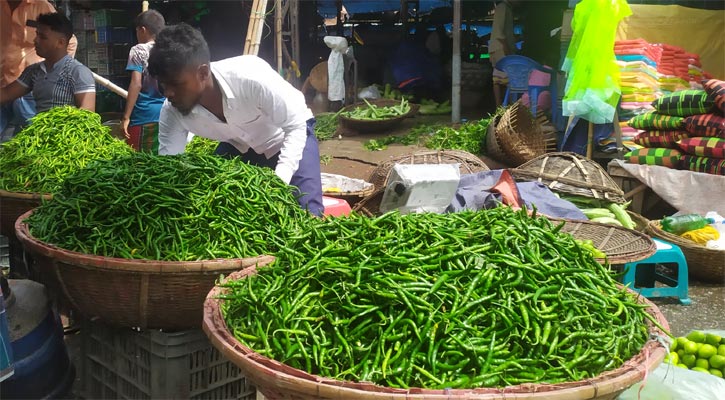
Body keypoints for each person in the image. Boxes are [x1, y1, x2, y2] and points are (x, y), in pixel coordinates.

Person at [148, 23, 324, 216]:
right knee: (217, 204)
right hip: (238, 145)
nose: (169, 93)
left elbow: (295, 125)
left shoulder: (250, 77)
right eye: (163, 85)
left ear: (203, 73)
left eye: (176, 84)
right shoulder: (172, 110)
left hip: (287, 135)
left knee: (308, 213)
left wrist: (278, 183)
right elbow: (170, 167)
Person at [0, 0, 78, 136]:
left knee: (34, 138)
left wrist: (53, 72)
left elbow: (70, 42)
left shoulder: (41, 6)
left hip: (29, 89)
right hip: (3, 85)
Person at [0, 12, 95, 114]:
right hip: (40, 128)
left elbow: (87, 113)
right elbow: (6, 94)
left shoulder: (78, 72)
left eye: (43, 37)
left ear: (60, 42)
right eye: (37, 35)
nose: (35, 40)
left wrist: (57, 127)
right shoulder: (33, 71)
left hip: (65, 128)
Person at [121, 9, 166, 153]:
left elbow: (136, 83)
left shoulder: (138, 50)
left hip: (144, 115)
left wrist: (126, 117)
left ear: (143, 30)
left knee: (140, 163)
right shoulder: (168, 49)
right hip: (168, 114)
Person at [489, 0, 517, 106]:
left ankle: (504, 106)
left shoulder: (506, 8)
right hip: (501, 48)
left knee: (501, 78)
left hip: (500, 48)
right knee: (503, 79)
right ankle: (500, 106)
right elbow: (500, 33)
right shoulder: (503, 7)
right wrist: (507, 50)